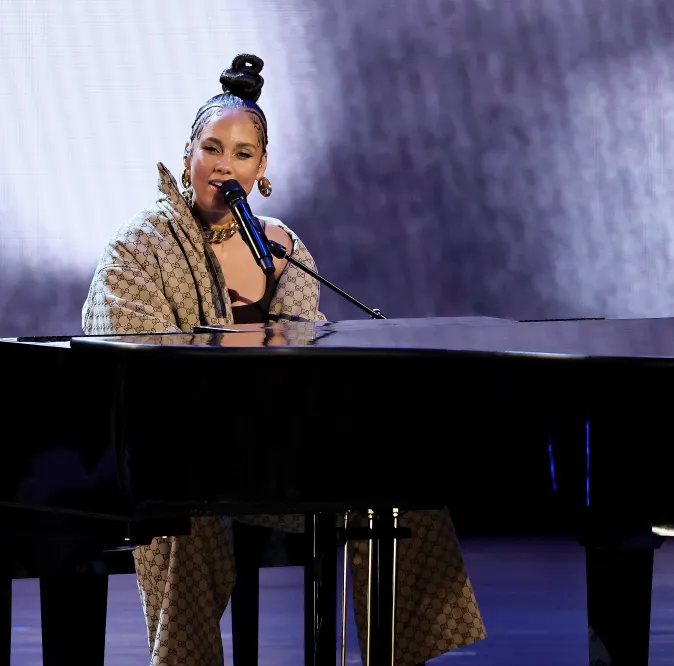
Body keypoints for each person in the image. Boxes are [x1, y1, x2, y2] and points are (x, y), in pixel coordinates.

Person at [82, 54, 486, 666]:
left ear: (262, 169)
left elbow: (303, 357)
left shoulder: (283, 247)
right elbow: (131, 367)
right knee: (185, 518)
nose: (225, 166)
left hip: (268, 457)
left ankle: (396, 660)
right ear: (187, 153)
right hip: (167, 457)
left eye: (243, 154)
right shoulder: (140, 246)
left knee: (402, 491)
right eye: (212, 148)